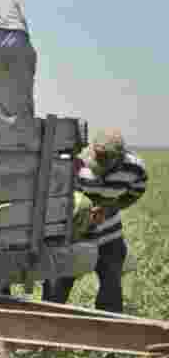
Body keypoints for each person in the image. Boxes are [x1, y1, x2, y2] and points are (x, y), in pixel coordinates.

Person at [43, 129, 147, 313]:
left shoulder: (134, 168)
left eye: (106, 161)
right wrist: (82, 213)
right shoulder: (76, 165)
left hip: (110, 238)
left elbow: (136, 190)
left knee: (111, 292)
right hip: (74, 238)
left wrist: (109, 208)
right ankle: (46, 329)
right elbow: (57, 197)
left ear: (120, 158)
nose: (99, 165)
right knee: (55, 292)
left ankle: (108, 332)